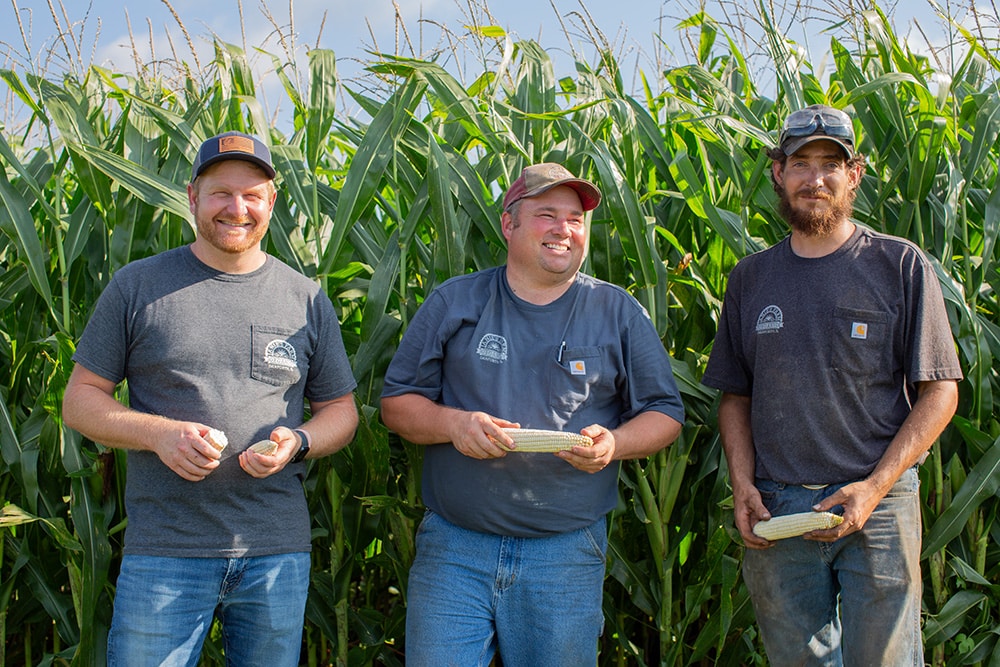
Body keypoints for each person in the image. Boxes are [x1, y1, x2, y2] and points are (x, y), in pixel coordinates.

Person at [62, 131, 359, 666]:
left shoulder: (306, 298)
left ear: (272, 202)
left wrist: (298, 441)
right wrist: (159, 435)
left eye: (252, 195)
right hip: (166, 552)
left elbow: (341, 412)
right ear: (193, 197)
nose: (236, 209)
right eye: (221, 193)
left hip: (274, 550)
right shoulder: (138, 286)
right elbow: (80, 401)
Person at [380, 162, 686, 666]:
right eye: (547, 215)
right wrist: (454, 425)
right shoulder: (455, 301)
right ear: (509, 224)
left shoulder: (617, 311)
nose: (563, 229)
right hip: (455, 549)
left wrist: (614, 445)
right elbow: (397, 405)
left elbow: (665, 413)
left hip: (564, 553)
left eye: (575, 219)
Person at [701, 105, 962, 666]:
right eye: (800, 163)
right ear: (778, 173)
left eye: (830, 164)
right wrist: (743, 485)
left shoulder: (900, 266)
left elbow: (940, 392)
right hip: (779, 509)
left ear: (855, 174)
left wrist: (874, 487)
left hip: (880, 507)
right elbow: (735, 397)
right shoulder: (750, 278)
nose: (814, 179)